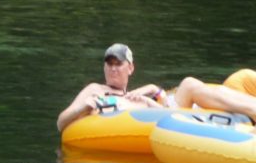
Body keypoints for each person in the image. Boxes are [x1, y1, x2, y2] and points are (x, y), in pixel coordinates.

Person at [57, 43, 256, 132]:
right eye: (109, 64)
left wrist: (151, 95)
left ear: (130, 68)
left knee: (191, 84)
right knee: (188, 85)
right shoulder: (96, 90)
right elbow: (61, 123)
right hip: (158, 123)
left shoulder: (135, 95)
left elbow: (163, 112)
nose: (113, 69)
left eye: (118, 64)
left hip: (165, 115)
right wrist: (83, 107)